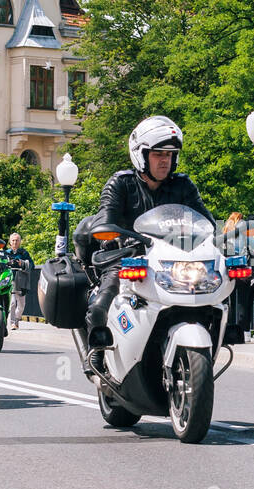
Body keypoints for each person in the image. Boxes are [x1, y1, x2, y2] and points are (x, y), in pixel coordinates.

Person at [84, 115, 214, 358]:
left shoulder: (183, 186)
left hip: (172, 263)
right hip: (128, 259)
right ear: (141, 155)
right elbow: (105, 217)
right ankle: (97, 354)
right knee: (102, 303)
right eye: (158, 154)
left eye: (169, 155)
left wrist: (216, 237)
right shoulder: (121, 184)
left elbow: (206, 222)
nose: (165, 161)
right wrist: (112, 234)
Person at [7, 233, 33, 330]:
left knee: (21, 305)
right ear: (10, 242)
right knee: (13, 302)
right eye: (13, 240)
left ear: (20, 242)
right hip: (10, 280)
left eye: (17, 240)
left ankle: (17, 319)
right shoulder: (6, 253)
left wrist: (22, 263)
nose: (15, 242)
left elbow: (32, 265)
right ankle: (13, 322)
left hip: (21, 280)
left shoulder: (24, 253)